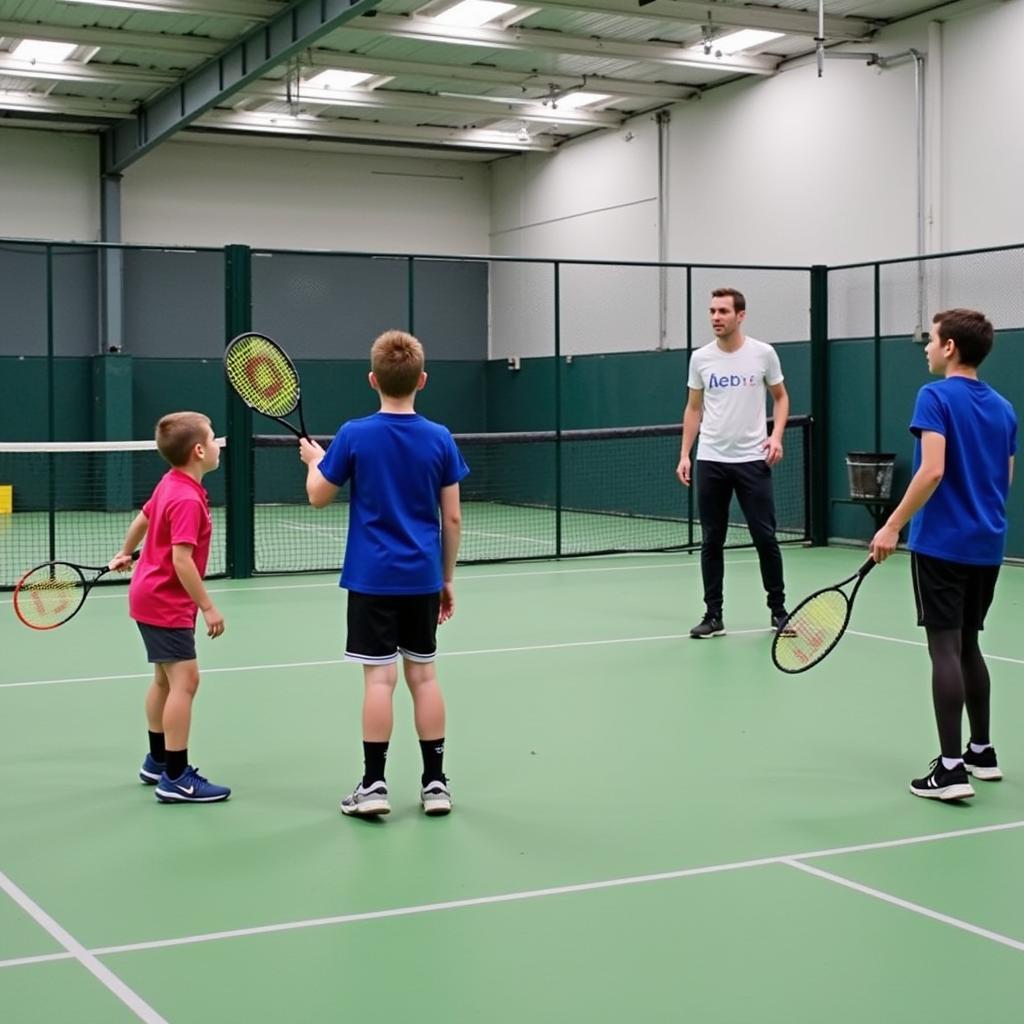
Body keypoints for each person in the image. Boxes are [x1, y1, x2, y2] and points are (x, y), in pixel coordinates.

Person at [299, 330, 468, 818]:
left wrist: (314, 462)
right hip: (422, 579)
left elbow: (318, 495)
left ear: (373, 379)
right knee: (425, 677)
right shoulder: (439, 437)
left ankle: (374, 786)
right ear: (423, 379)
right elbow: (452, 518)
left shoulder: (353, 434)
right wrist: (447, 579)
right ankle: (435, 785)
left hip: (372, 580)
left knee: (379, 682)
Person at [870, 308, 1016, 802]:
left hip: (942, 545)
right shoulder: (1004, 408)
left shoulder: (933, 396)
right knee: (970, 643)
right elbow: (1005, 480)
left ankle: (950, 770)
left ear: (950, 346)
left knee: (945, 650)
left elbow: (932, 470)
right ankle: (982, 751)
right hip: (987, 544)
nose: (927, 348)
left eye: (931, 340)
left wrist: (892, 524)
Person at [109, 412, 230, 803]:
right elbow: (182, 561)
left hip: (147, 595)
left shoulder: (171, 483)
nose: (217, 444)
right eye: (213, 439)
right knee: (186, 682)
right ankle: (176, 776)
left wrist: (125, 552)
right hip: (166, 601)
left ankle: (157, 760)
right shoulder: (187, 498)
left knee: (164, 680)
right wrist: (208, 606)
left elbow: (143, 518)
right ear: (198, 451)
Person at [676, 287, 792, 638]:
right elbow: (694, 408)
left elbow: (781, 398)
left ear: (740, 315)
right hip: (711, 460)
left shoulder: (763, 354)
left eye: (723, 311)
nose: (715, 317)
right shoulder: (701, 359)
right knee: (712, 539)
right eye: (712, 311)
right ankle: (713, 615)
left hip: (751, 461)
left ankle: (779, 612)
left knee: (765, 537)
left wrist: (776, 437)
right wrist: (685, 453)